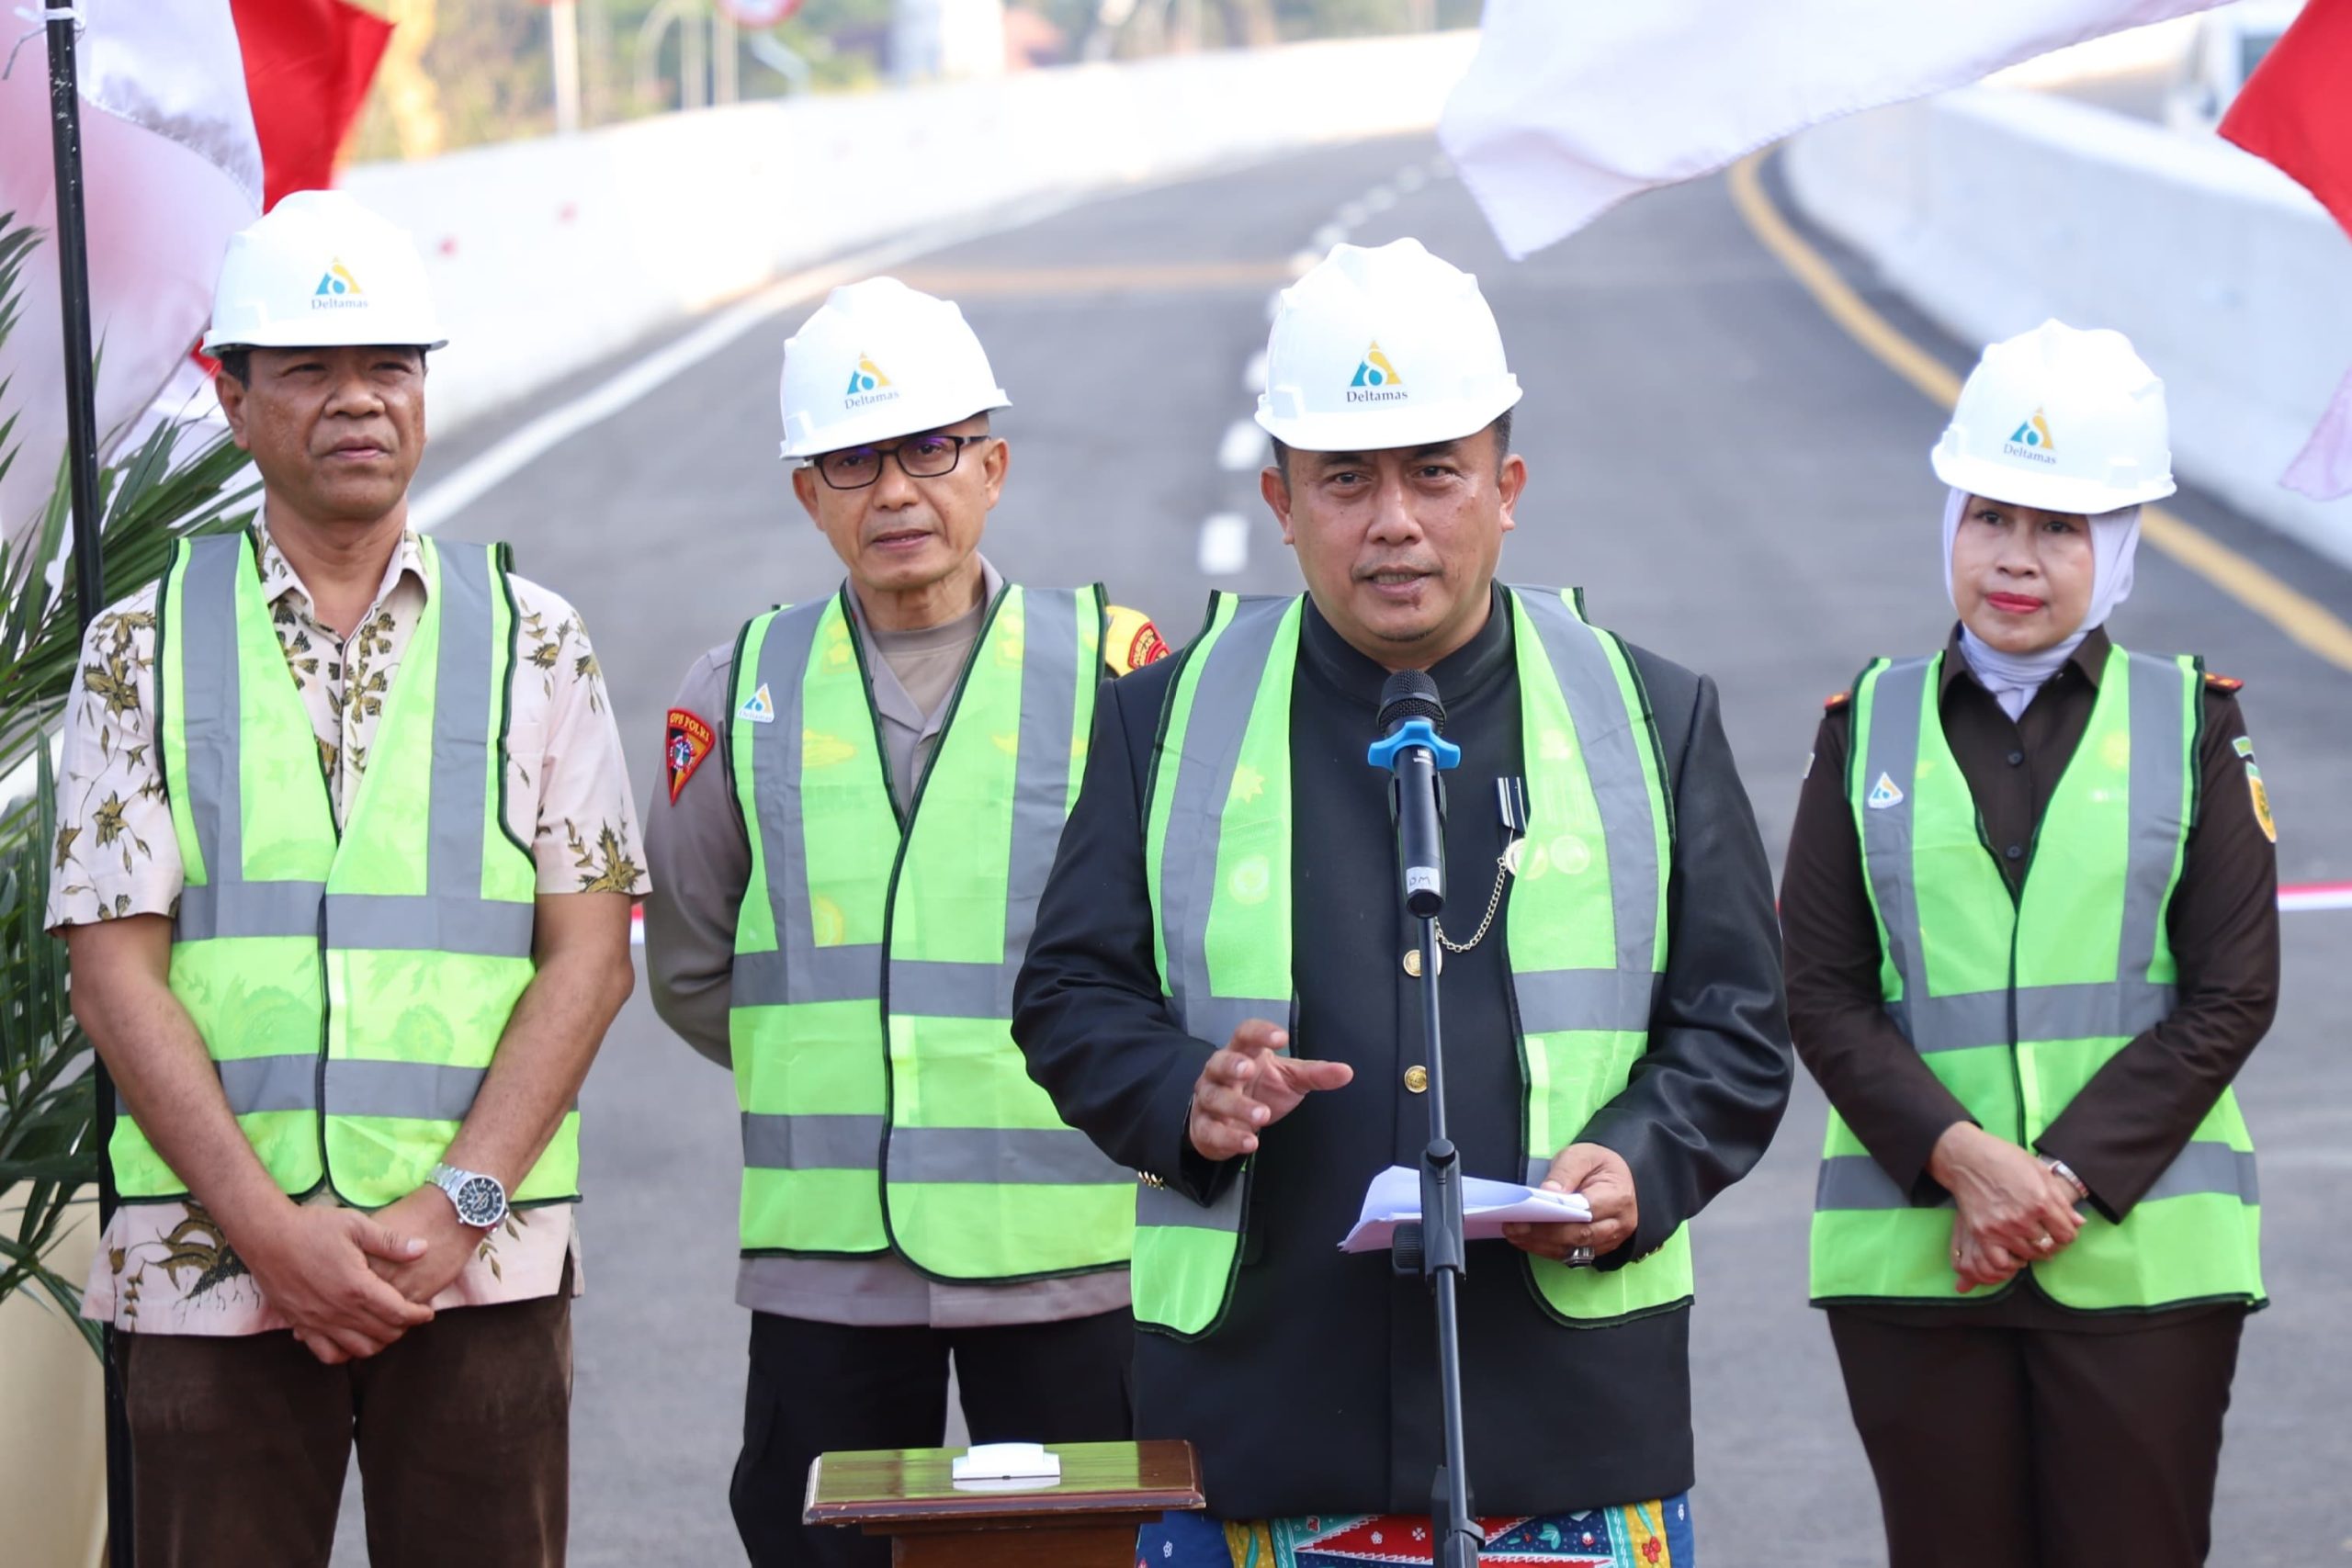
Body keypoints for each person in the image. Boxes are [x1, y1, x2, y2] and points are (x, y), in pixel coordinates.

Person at [1011, 238, 1793, 1566]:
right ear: (1280, 499)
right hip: (1257, 1423)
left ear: (1507, 487)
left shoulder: (1650, 714)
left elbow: (1738, 1025)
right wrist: (1179, 1094)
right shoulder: (1165, 717)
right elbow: (1070, 993)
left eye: (1437, 472)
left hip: (1569, 1429)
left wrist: (1644, 1164)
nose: (1395, 521)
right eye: (1346, 481)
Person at [50, 190, 643, 1567]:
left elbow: (590, 953)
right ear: (234, 398)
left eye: (390, 367)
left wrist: (461, 1207)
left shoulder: (534, 641)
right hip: (208, 1276)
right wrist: (267, 1234)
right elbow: (111, 967)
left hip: (476, 1273)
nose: (358, 402)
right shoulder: (140, 644)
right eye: (310, 371)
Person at [642, 276, 1170, 1568]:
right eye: (852, 460)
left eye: (930, 451)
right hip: (829, 1273)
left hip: (1066, 1261)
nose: (895, 491)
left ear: (990, 467)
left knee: (1085, 1560)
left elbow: (1176, 950)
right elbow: (694, 967)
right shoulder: (741, 690)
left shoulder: (1117, 672)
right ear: (805, 493)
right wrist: (854, 1066)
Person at [1781, 320, 2277, 1568]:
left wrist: (2046, 1187)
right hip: (1915, 1268)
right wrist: (1962, 1165)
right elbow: (1823, 990)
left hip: (2141, 1266)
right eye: (1989, 517)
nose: (2015, 558)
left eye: (2061, 528)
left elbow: (2231, 994)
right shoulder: (1867, 725)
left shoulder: (2192, 726)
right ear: (1948, 519)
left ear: (2116, 547)